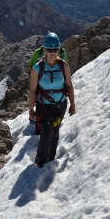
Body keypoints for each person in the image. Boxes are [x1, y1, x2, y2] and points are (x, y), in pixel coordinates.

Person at [28, 32, 76, 168]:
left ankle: (50, 161)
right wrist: (31, 109)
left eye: (55, 49)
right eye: (50, 50)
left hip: (60, 104)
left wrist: (73, 104)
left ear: (59, 49)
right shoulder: (38, 68)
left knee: (55, 132)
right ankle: (40, 164)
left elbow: (70, 86)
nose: (53, 52)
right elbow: (32, 90)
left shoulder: (63, 65)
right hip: (44, 105)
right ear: (45, 50)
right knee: (46, 133)